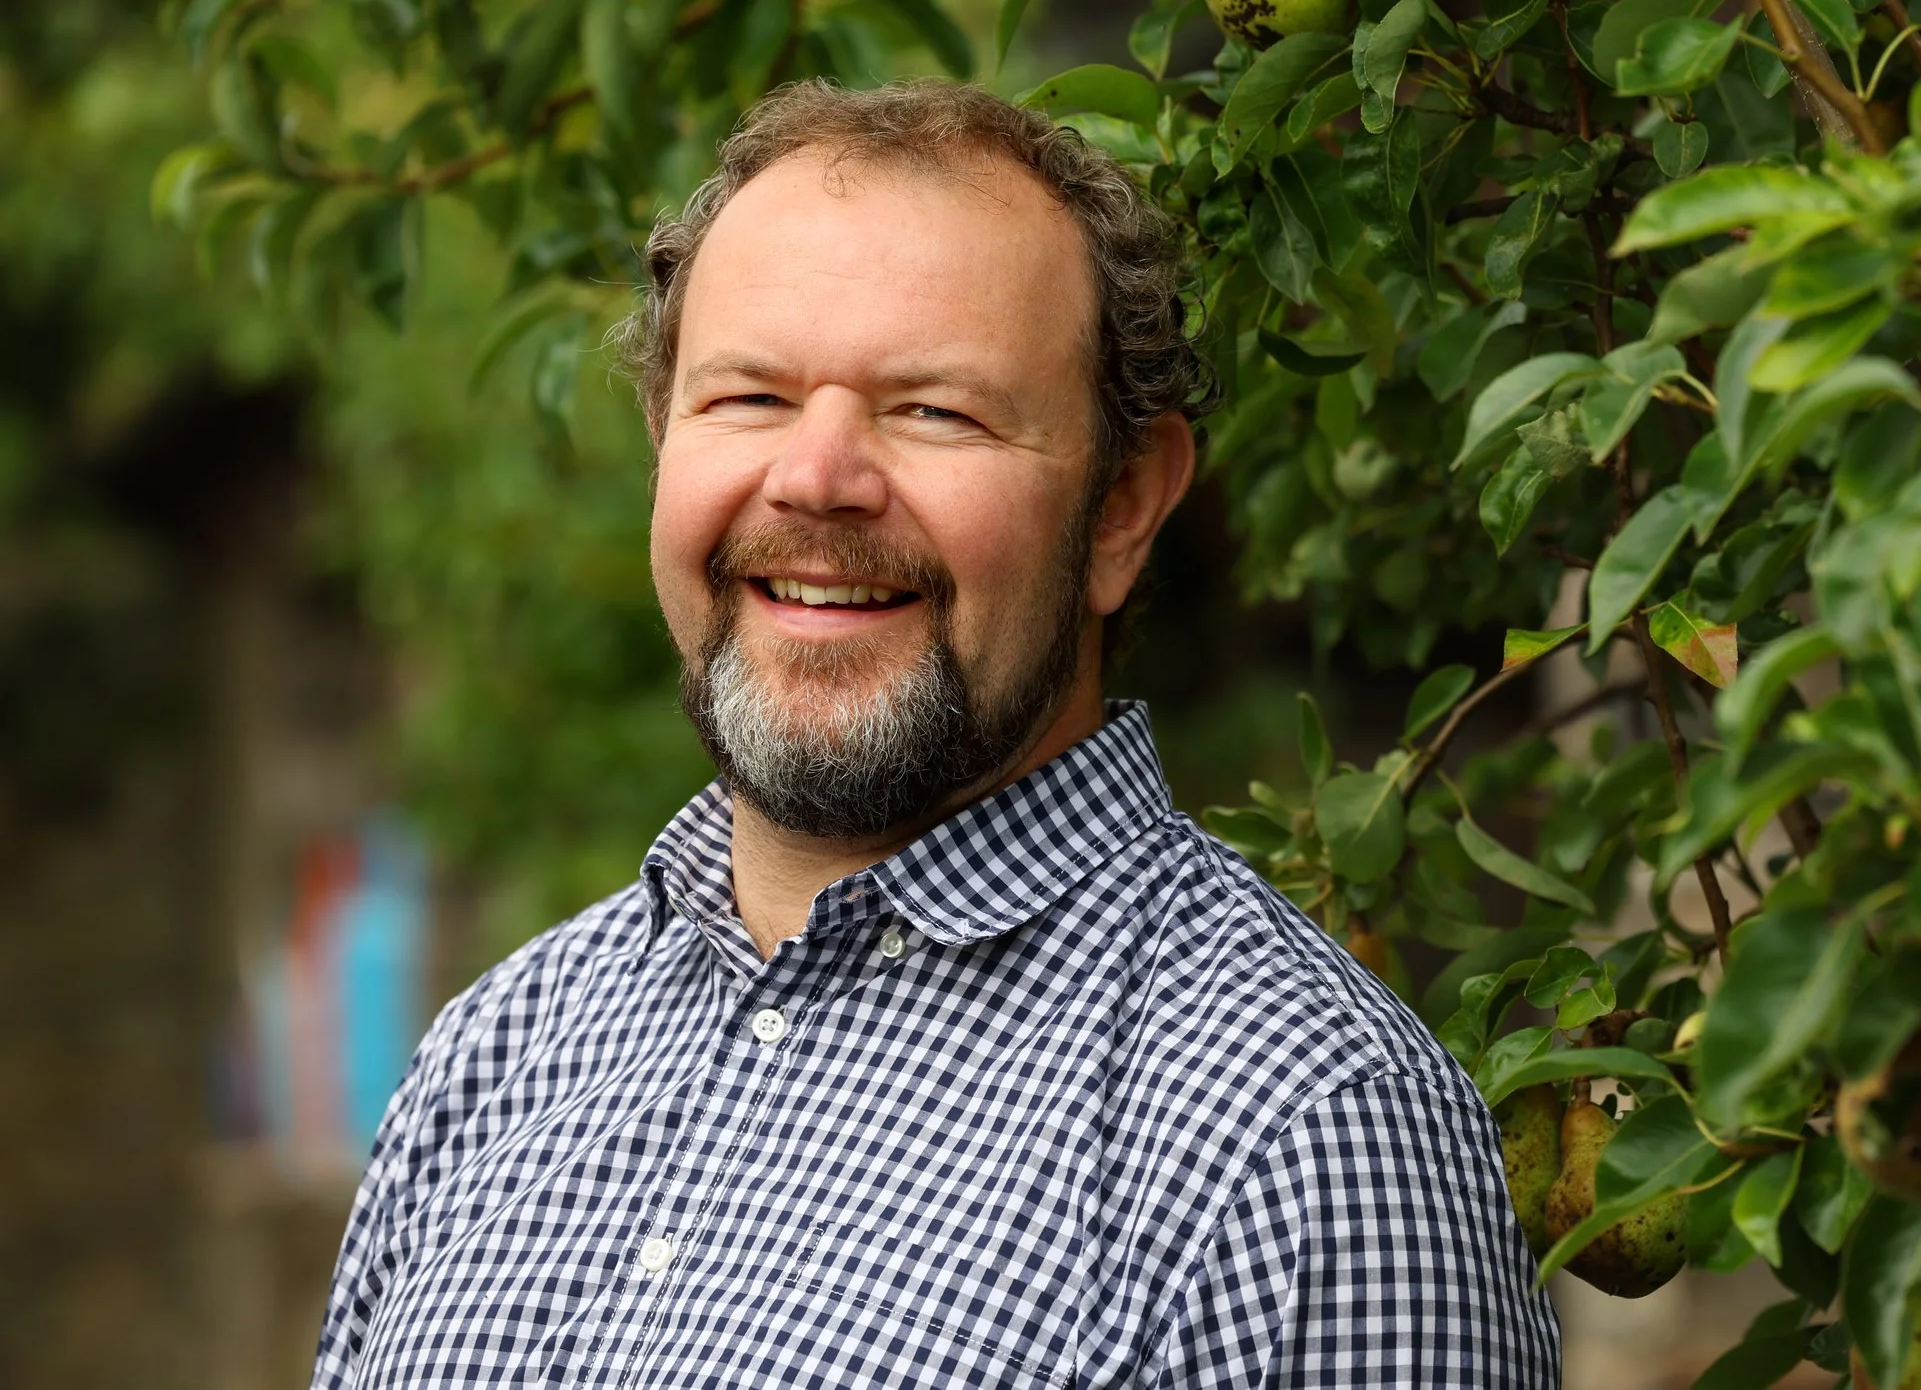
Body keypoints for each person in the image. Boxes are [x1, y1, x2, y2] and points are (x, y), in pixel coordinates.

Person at [310, 79, 1561, 1387]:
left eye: (934, 410)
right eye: (747, 397)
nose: (817, 477)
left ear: (1125, 506)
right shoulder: (496, 1057)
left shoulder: (1308, 1138)